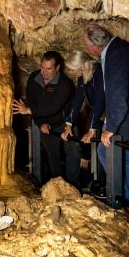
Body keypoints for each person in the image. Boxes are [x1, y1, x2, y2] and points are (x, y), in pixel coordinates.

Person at [82, 24, 129, 207]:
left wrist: (110, 128)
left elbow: (118, 96)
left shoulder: (115, 56)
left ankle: (124, 201)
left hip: (127, 118)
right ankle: (127, 199)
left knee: (112, 154)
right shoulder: (120, 49)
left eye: (86, 44)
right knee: (121, 155)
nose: (86, 49)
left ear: (95, 46)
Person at [13, 51, 75, 182]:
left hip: (65, 123)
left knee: (73, 156)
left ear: (57, 68)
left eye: (48, 69)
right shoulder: (34, 78)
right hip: (45, 123)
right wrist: (41, 123)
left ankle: (74, 186)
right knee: (53, 158)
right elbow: (32, 102)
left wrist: (29, 110)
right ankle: (57, 186)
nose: (44, 72)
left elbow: (53, 107)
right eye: (42, 67)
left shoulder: (65, 84)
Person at [60, 51, 105, 186]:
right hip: (99, 115)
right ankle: (99, 183)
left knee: (104, 150)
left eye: (71, 69)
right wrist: (68, 124)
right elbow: (77, 100)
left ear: (81, 67)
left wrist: (92, 128)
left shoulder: (99, 74)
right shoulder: (83, 76)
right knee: (99, 149)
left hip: (110, 116)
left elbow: (100, 102)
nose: (69, 71)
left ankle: (104, 184)